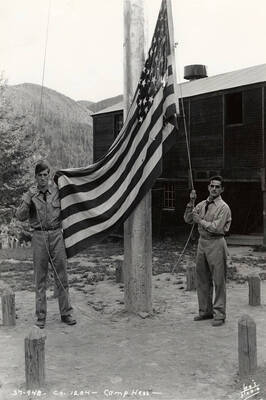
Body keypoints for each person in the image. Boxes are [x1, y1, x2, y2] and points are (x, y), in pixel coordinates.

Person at [16, 160, 76, 329]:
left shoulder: (57, 192)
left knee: (61, 276)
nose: (43, 178)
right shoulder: (31, 194)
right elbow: (20, 216)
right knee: (40, 278)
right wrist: (27, 200)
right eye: (40, 175)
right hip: (39, 237)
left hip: (56, 235)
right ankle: (41, 316)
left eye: (45, 175)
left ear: (48, 176)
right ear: (35, 177)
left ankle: (66, 313)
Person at [184, 176, 231, 327]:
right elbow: (187, 219)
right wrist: (191, 202)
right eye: (212, 186)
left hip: (216, 243)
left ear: (222, 189)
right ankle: (205, 311)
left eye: (218, 187)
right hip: (202, 243)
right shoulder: (201, 204)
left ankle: (219, 314)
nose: (214, 189)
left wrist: (200, 221)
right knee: (202, 279)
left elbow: (216, 227)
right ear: (208, 187)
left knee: (218, 280)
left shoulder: (223, 207)